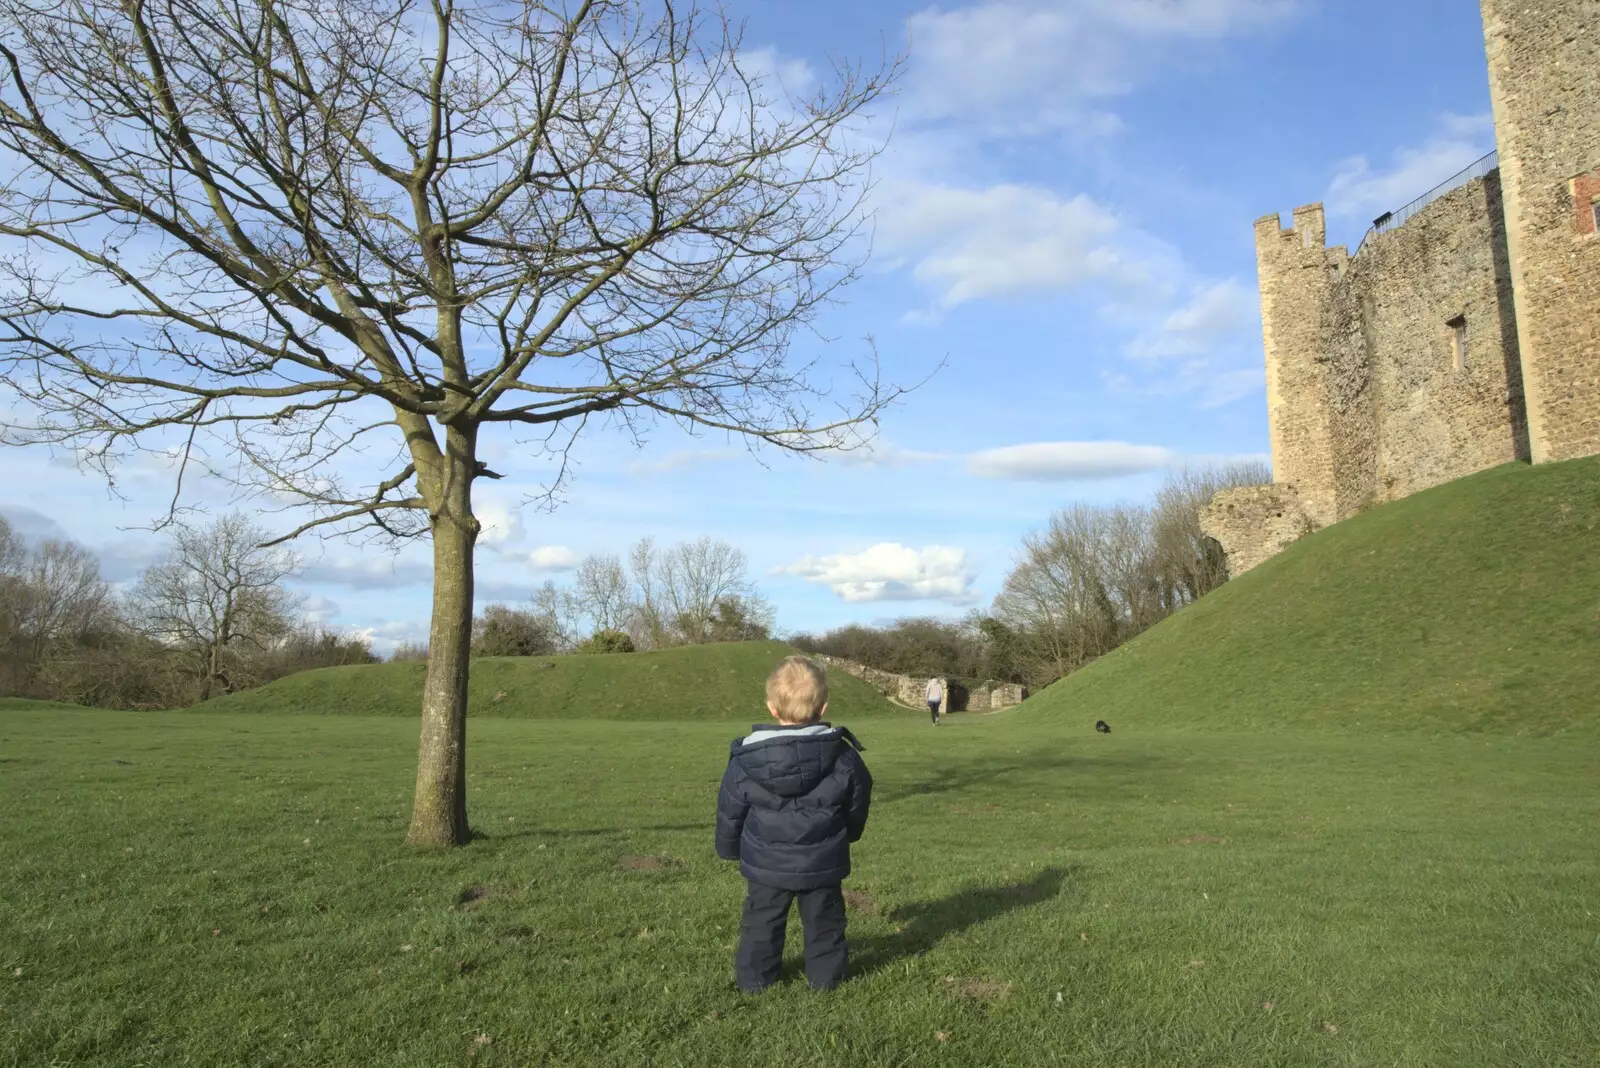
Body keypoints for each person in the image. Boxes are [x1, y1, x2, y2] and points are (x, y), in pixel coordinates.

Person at [715, 655, 872, 993]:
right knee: (825, 922)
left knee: (761, 922)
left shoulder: (746, 759)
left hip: (765, 864)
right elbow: (858, 801)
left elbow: (730, 809)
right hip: (822, 860)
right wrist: (849, 834)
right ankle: (826, 979)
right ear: (823, 706)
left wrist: (729, 848)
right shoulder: (844, 756)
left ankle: (755, 982)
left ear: (772, 707)